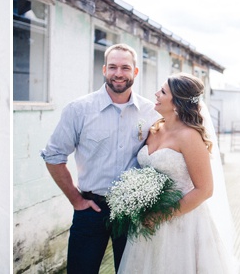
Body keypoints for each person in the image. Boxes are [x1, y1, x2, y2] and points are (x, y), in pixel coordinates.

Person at [41, 44, 161, 273]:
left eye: (125, 68)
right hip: (91, 209)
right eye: (113, 67)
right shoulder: (78, 109)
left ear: (135, 72)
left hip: (132, 213)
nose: (119, 73)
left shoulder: (150, 112)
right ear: (104, 70)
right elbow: (53, 156)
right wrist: (76, 200)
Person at [118, 73, 237, 273]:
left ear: (177, 103)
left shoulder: (189, 137)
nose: (156, 94)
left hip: (182, 224)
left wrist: (161, 216)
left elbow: (205, 189)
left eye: (163, 91)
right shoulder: (155, 128)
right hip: (146, 225)